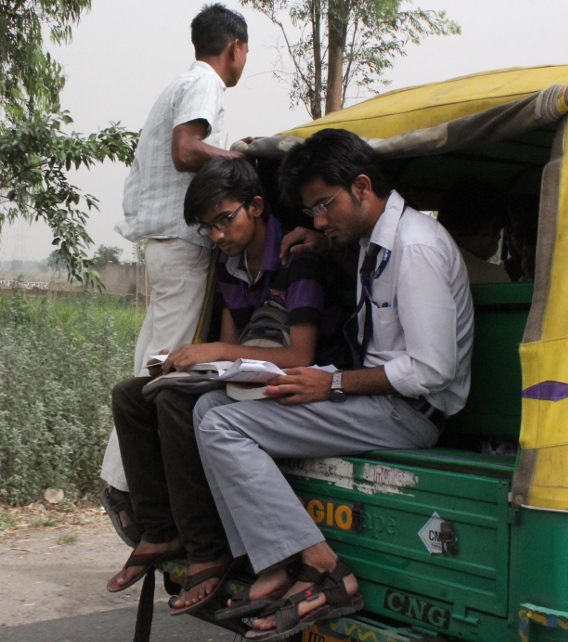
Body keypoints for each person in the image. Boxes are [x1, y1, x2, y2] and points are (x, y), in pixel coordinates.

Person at [192, 128, 474, 641]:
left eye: (324, 207)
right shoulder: (375, 243)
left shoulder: (418, 248)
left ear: (362, 186)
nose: (319, 219)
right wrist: (326, 246)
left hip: (409, 413)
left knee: (223, 427)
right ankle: (275, 563)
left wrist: (333, 385)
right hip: (377, 398)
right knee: (207, 409)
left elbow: (432, 372)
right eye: (312, 212)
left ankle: (325, 569)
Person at [107, 157, 344, 614]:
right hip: (249, 376)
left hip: (301, 383)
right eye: (208, 226)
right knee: (132, 396)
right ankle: (160, 530)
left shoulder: (298, 259)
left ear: (255, 206)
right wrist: (196, 364)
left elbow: (299, 356)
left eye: (224, 219)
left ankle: (208, 546)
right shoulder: (231, 265)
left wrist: (215, 353)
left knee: (177, 404)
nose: (217, 235)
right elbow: (231, 348)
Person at [100, 4, 249, 511]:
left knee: (153, 355)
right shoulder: (205, 84)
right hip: (182, 244)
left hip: (164, 241)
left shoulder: (177, 85)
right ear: (234, 48)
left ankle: (124, 482)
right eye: (244, 52)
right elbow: (187, 150)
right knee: (167, 366)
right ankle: (130, 488)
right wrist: (235, 157)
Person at [437, 184, 510, 284]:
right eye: (499, 231)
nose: (500, 236)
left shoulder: (422, 261)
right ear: (489, 228)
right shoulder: (494, 277)